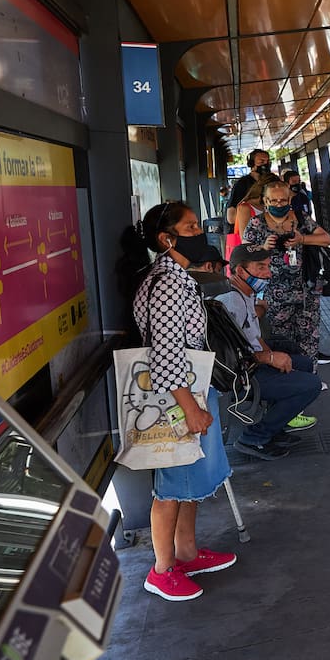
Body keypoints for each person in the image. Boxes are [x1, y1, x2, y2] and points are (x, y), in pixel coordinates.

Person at [118, 201, 237, 602]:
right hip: (176, 398)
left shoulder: (174, 276)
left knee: (189, 481)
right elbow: (165, 354)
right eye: (190, 227)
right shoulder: (166, 284)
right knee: (172, 485)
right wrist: (190, 409)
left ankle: (186, 552)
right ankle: (162, 569)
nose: (200, 232)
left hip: (191, 389)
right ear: (167, 239)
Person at [215, 245, 322, 459]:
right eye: (260, 267)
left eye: (268, 266)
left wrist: (271, 353)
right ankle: (254, 437)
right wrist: (269, 358)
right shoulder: (230, 302)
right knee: (311, 385)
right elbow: (226, 355)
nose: (268, 273)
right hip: (242, 376)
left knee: (303, 364)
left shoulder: (245, 294)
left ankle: (276, 427)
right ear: (240, 271)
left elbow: (252, 336)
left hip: (253, 365)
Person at [243, 180, 330, 362]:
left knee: (309, 339)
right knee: (280, 340)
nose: (278, 205)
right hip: (273, 295)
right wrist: (263, 247)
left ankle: (310, 378)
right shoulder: (256, 223)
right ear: (265, 201)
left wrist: (302, 239)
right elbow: (243, 254)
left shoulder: (301, 218)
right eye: (273, 201)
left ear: (289, 199)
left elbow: (326, 238)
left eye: (283, 201)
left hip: (306, 292)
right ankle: (290, 379)